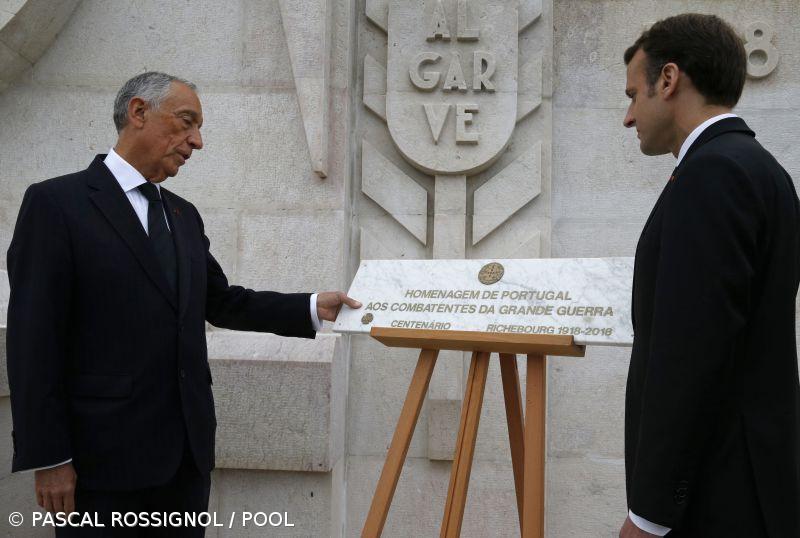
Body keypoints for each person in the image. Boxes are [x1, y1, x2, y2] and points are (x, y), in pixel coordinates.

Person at [6, 71, 360, 536]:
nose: (197, 141)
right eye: (186, 122)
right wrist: (50, 456)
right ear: (138, 113)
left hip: (185, 463)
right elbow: (33, 339)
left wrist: (314, 307)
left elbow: (223, 302)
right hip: (101, 464)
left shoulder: (182, 215)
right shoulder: (56, 204)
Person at [619, 14, 799, 538]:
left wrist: (649, 515)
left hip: (716, 500)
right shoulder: (761, 169)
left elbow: (691, 354)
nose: (628, 117)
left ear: (669, 80)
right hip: (747, 488)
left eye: (634, 95)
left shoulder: (713, 174)